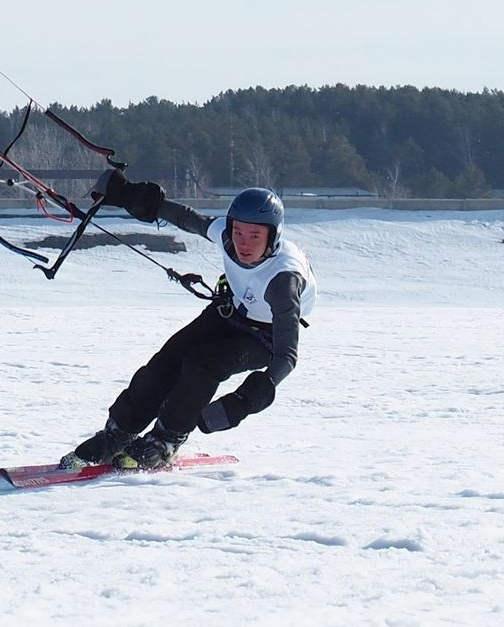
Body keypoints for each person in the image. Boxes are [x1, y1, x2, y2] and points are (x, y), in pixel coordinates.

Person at [65, 177, 316, 470]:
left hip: (266, 335)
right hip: (232, 310)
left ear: (273, 237)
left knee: (203, 364)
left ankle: (165, 441)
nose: (243, 243)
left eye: (254, 236)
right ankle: (117, 433)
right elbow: (187, 218)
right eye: (239, 232)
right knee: (168, 359)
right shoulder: (227, 236)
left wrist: (248, 399)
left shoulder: (283, 280)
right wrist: (136, 198)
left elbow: (287, 355)